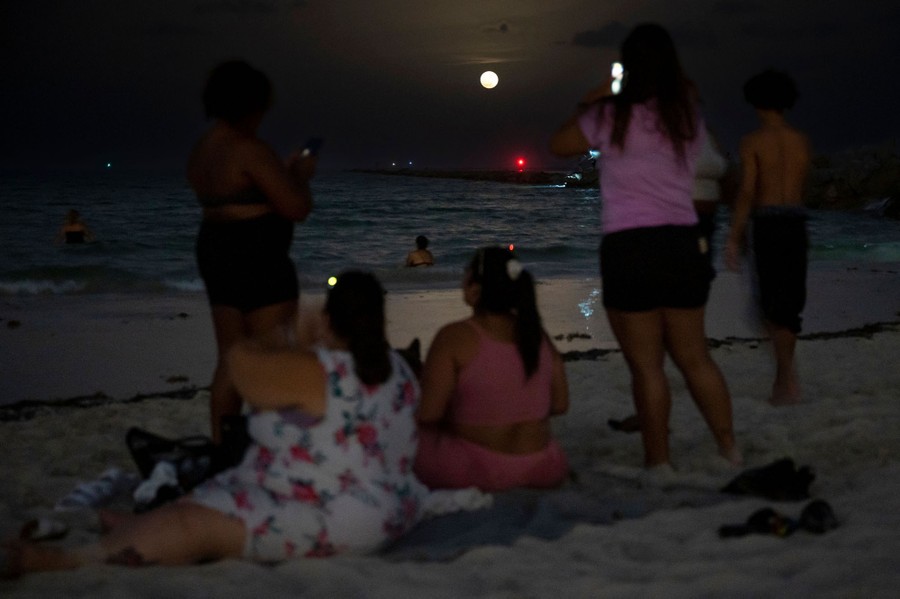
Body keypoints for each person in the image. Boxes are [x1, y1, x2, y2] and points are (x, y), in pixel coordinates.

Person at [6, 272, 427, 574]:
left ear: (331, 320)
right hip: (389, 507)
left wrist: (287, 334)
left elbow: (240, 364)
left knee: (193, 527)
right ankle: (135, 526)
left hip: (335, 516)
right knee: (205, 497)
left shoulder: (321, 370)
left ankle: (74, 560)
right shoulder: (398, 368)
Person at [549, 23, 740, 470]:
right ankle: (730, 449)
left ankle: (659, 462)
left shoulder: (610, 116)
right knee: (696, 358)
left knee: (648, 367)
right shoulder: (686, 118)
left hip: (630, 246)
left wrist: (596, 94)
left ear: (629, 67)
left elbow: (559, 144)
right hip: (681, 242)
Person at [187, 59, 315, 444]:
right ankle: (271, 447)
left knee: (230, 357)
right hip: (258, 255)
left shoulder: (204, 149)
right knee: (270, 356)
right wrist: (300, 176)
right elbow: (296, 207)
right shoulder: (249, 149)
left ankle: (222, 446)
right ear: (251, 105)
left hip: (215, 250)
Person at [413, 246, 570, 492]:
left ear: (475, 289)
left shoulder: (454, 337)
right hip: (544, 466)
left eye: (466, 273)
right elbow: (560, 405)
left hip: (481, 471)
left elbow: (428, 416)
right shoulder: (536, 336)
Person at [724, 69, 811, 405]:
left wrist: (734, 237)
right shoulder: (801, 140)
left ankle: (784, 380)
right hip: (796, 222)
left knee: (768, 308)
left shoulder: (752, 142)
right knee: (788, 306)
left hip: (768, 225)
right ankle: (787, 380)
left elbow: (747, 192)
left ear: (755, 102)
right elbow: (804, 187)